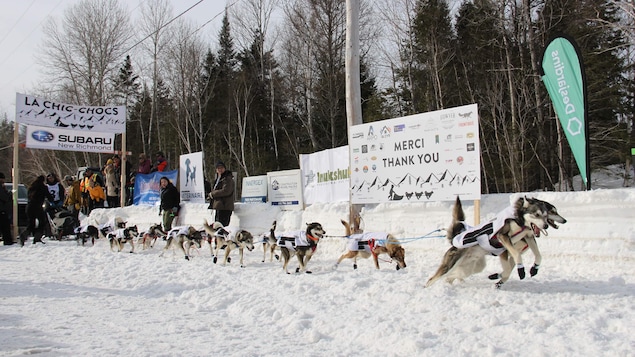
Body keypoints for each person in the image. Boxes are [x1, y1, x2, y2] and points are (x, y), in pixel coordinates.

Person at [20, 175, 54, 245]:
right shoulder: (43, 187)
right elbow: (49, 197)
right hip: (38, 207)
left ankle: (24, 235)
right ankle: (37, 237)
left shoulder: (31, 187)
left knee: (31, 224)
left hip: (29, 207)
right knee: (42, 222)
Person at [209, 161, 235, 227]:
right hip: (220, 206)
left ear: (224, 168)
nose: (220, 170)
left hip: (225, 206)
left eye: (221, 168)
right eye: (218, 168)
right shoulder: (219, 179)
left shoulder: (227, 178)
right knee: (217, 226)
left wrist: (213, 194)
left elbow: (226, 191)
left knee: (222, 227)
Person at [0, 172, 13, 245]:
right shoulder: (1, 187)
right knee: (5, 226)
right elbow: (4, 197)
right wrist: (9, 194)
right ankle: (8, 241)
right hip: (1, 209)